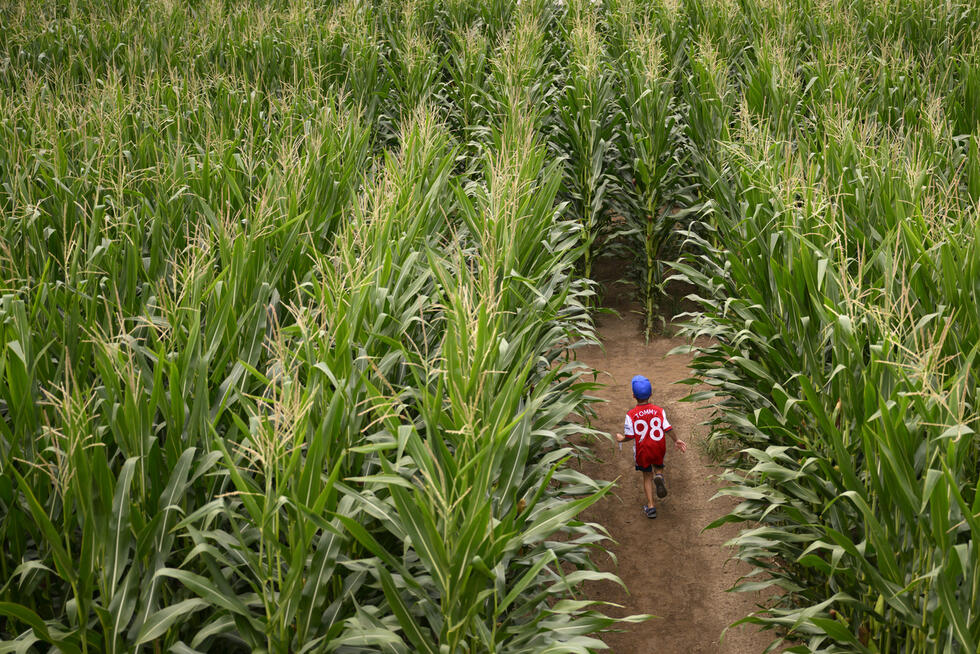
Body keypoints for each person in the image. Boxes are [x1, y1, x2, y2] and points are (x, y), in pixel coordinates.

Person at [615, 375, 687, 519]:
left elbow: (630, 436)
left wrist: (621, 439)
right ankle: (659, 475)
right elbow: (667, 428)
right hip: (658, 446)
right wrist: (676, 439)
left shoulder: (631, 414)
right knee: (658, 466)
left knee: (647, 476)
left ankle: (651, 507)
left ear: (633, 395)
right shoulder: (659, 410)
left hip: (643, 450)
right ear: (651, 394)